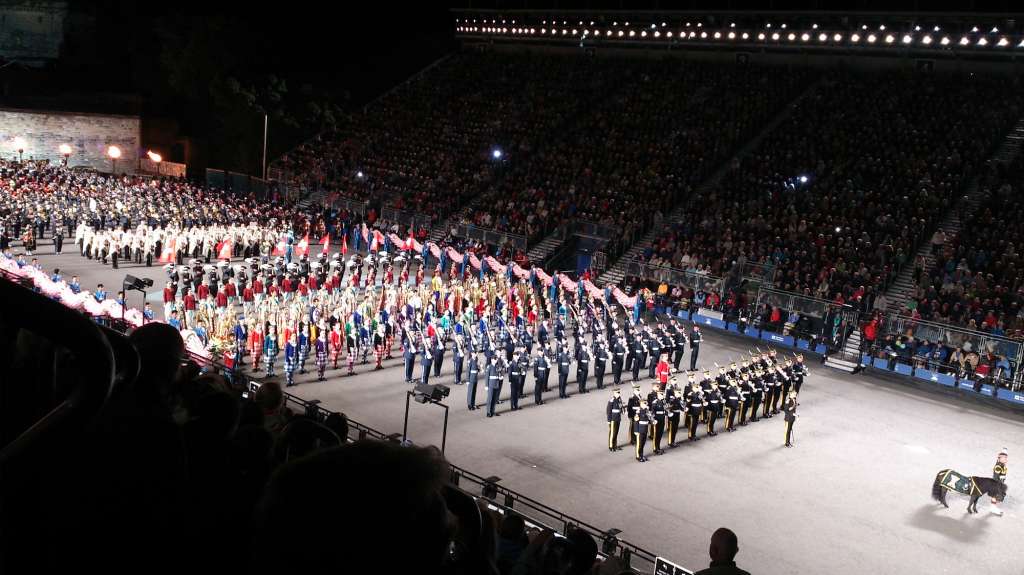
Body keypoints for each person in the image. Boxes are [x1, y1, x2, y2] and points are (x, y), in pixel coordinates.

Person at [992, 448, 1008, 515]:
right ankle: (993, 508)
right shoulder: (998, 466)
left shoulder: (1002, 464)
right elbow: (995, 476)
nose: (1006, 459)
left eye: (1006, 457)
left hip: (1000, 482)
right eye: (1004, 458)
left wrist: (1004, 451)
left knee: (999, 496)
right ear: (1000, 458)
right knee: (996, 496)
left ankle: (993, 507)